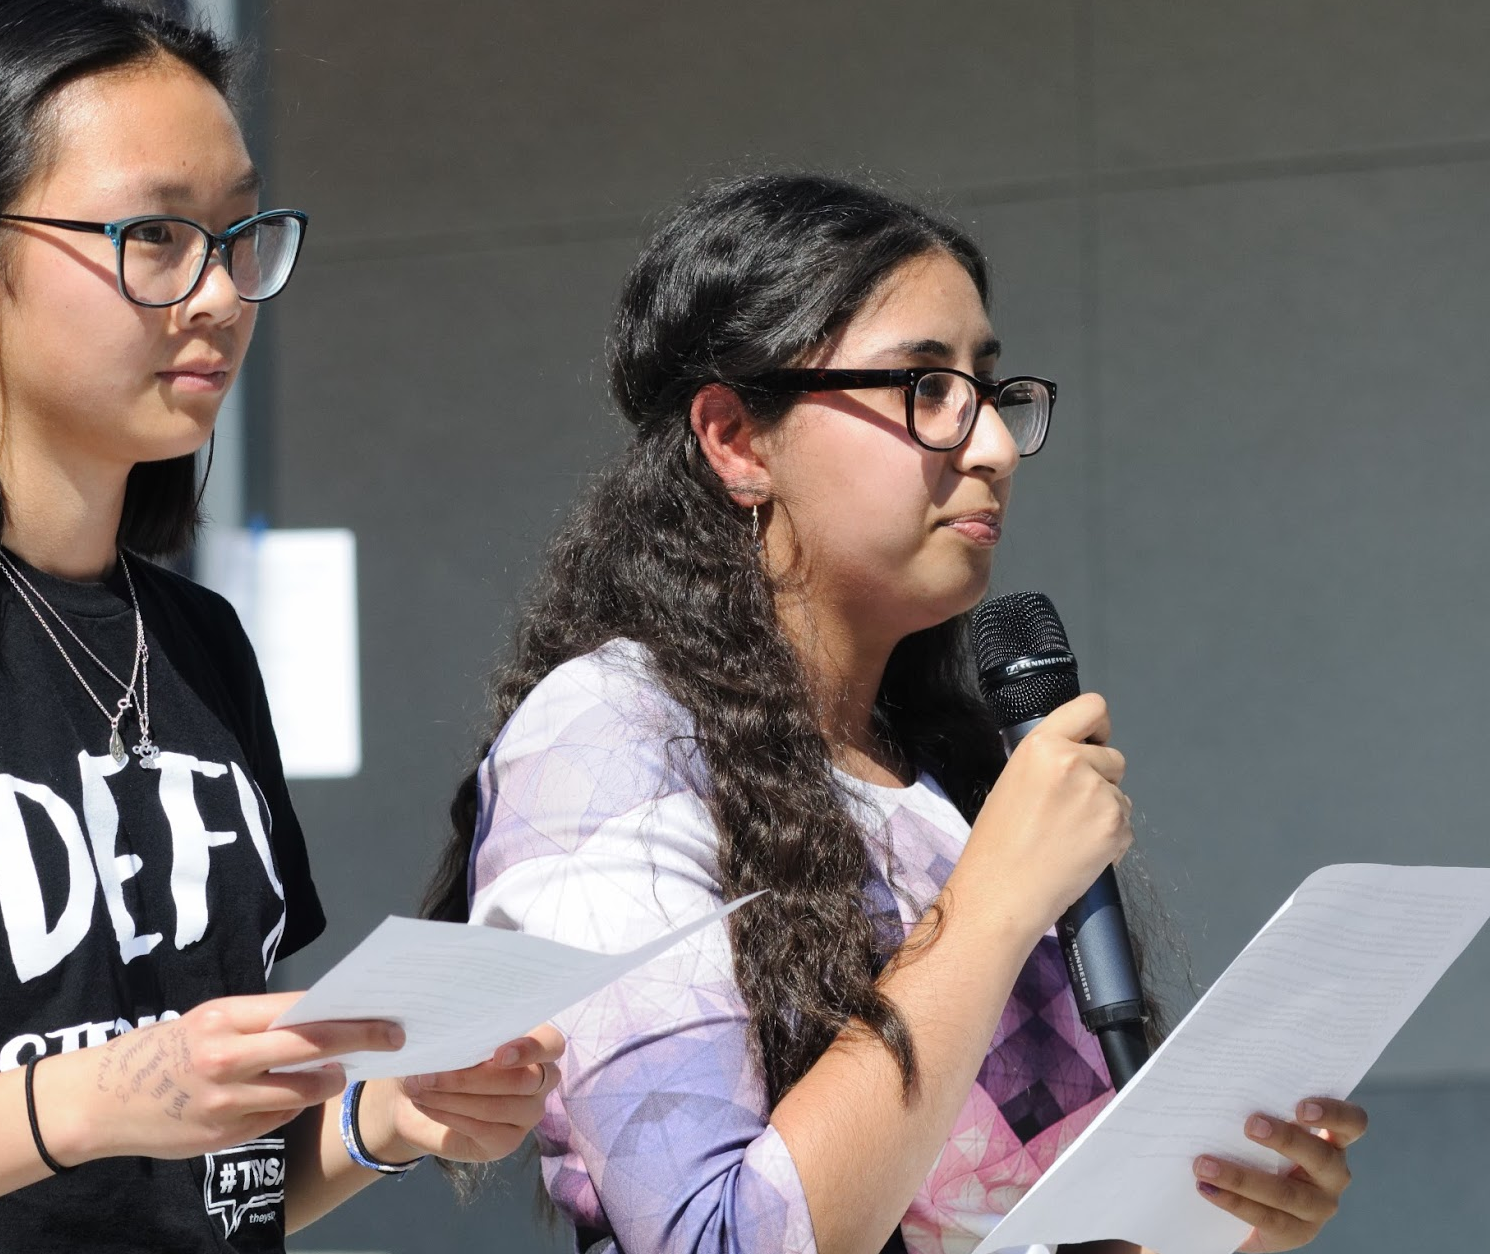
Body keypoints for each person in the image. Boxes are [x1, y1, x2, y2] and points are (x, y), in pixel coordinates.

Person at [0, 5, 559, 1253]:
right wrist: (92, 1098)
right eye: (158, 235)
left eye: (239, 235)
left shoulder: (198, 643)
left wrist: (386, 1116)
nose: (221, 291)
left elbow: (209, 1181)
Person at [423, 174, 1365, 1254]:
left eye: (989, 388)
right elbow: (711, 1239)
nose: (993, 448)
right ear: (736, 437)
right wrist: (992, 904)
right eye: (923, 387)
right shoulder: (610, 737)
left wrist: (1216, 1215)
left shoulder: (940, 769)